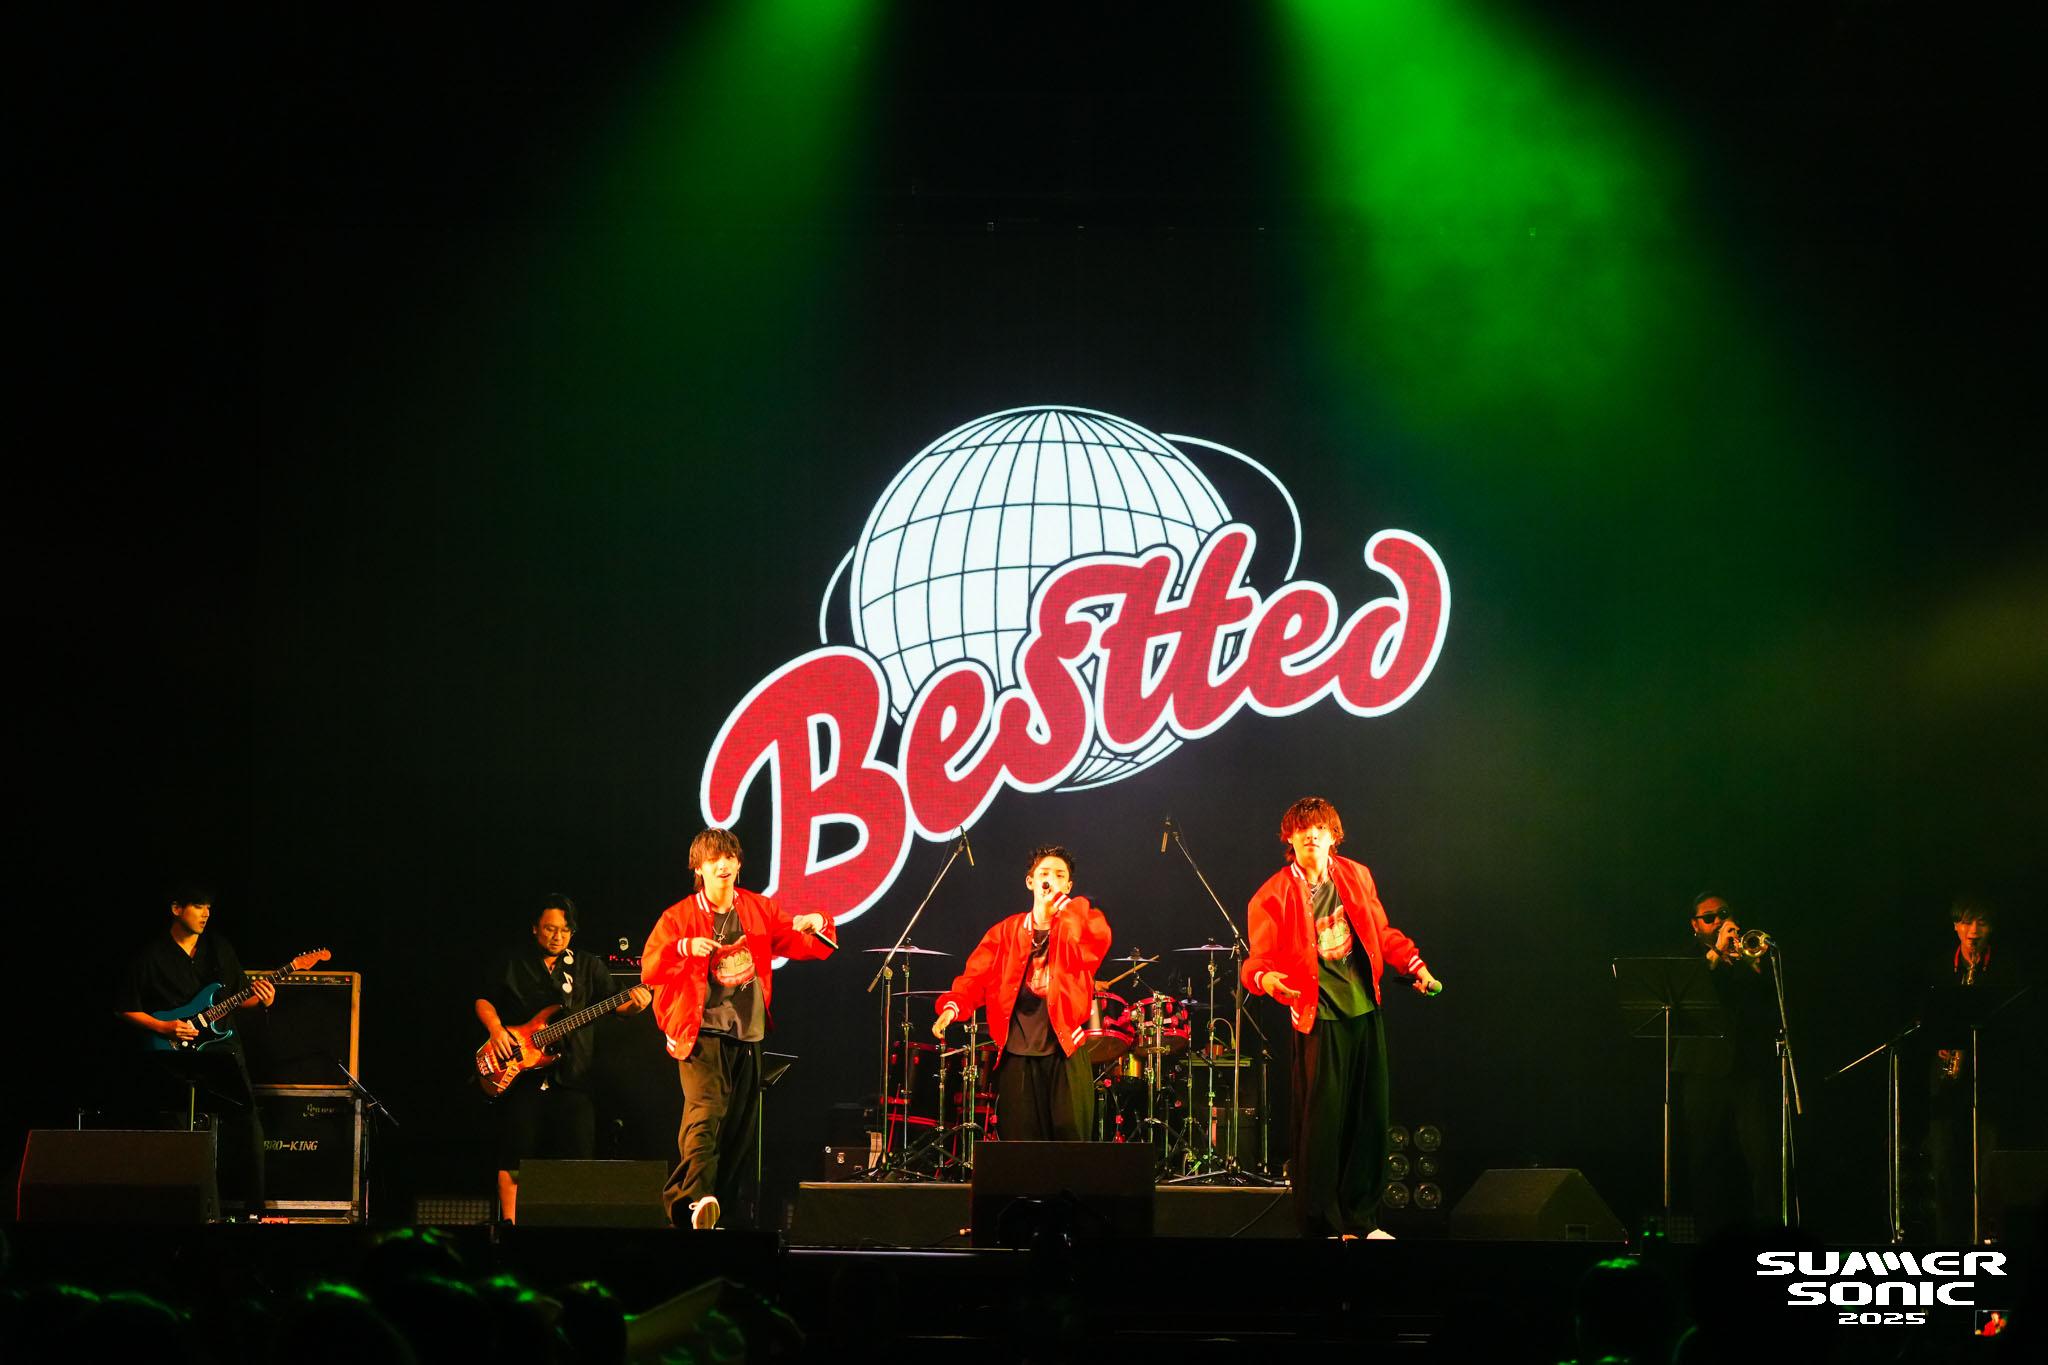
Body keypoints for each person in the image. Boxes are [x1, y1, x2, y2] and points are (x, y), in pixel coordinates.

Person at [1243, 797, 1442, 1239]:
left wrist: (1415, 966)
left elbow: (1382, 933)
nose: (1311, 836)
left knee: (1368, 1119)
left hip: (1363, 1009)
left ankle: (1361, 1221)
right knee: (1321, 1127)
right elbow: (1257, 961)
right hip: (1318, 1018)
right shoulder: (1272, 894)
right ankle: (1322, 1226)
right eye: (1302, 829)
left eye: (1319, 829)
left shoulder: (1356, 875)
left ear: (1334, 836)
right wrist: (1268, 980)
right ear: (1289, 838)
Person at [640, 828, 835, 1229]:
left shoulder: (758, 909)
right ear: (698, 868)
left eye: (729, 858)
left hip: (747, 1032)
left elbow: (801, 942)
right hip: (700, 1033)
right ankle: (691, 1201)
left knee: (739, 1130)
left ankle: (714, 1210)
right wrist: (684, 947)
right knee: (705, 1114)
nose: (723, 866)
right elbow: (650, 967)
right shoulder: (679, 916)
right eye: (713, 860)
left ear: (739, 863)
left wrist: (817, 922)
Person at [475, 894, 650, 1223]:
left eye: (565, 931)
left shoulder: (586, 965)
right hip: (520, 1078)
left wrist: (637, 1004)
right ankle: (510, 1228)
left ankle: (571, 1229)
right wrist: (497, 1030)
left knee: (577, 1158)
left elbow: (618, 1004)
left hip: (573, 1077)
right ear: (535, 928)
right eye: (550, 929)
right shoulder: (513, 961)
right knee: (514, 1156)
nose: (558, 936)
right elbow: (483, 999)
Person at [112, 887, 276, 1212]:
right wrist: (164, 1027)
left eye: (209, 907)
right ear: (176, 908)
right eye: (198, 906)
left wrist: (263, 999)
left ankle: (255, 1212)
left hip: (222, 1051)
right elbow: (123, 1008)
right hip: (175, 1054)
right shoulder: (151, 956)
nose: (206, 914)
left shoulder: (219, 948)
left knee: (248, 1125)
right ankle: (188, 1210)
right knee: (178, 1132)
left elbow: (240, 996)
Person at [933, 844, 1110, 1142]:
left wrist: (1067, 909)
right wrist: (953, 1007)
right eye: (1044, 873)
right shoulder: (1005, 932)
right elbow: (975, 978)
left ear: (1068, 886)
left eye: (1059, 875)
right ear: (1030, 881)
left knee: (1071, 1142)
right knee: (1021, 1144)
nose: (1051, 879)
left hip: (1065, 1051)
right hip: (1017, 1053)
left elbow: (1097, 939)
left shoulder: (1075, 927)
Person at [1673, 893, 1782, 1238]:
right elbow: (1686, 994)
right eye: (1710, 917)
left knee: (1762, 1157)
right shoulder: (1688, 956)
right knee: (1704, 1158)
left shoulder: (1747, 954)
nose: (1719, 920)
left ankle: (1768, 1236)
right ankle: (1708, 1236)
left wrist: (1752, 963)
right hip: (1702, 1069)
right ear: (1695, 925)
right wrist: (1717, 952)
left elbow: (1769, 1002)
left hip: (1747, 1069)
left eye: (1723, 914)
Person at [1921, 896, 2004, 1243]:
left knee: (1989, 1176)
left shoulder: (2004, 970)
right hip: (1947, 1087)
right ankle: (1948, 1249)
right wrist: (1938, 1043)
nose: (1973, 931)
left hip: (1990, 1085)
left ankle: (1988, 1248)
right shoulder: (1939, 970)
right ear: (1955, 926)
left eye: (1981, 922)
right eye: (1967, 922)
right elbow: (1922, 1024)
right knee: (1945, 1172)